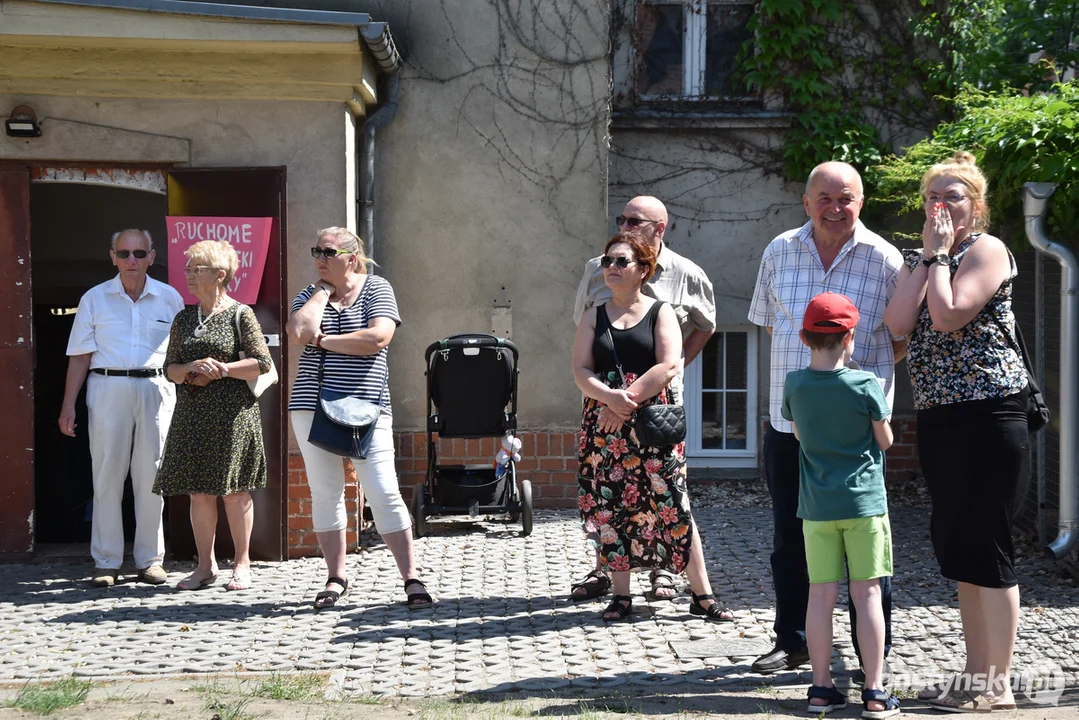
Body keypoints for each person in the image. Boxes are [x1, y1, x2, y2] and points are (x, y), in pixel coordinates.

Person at [883, 152, 1026, 713]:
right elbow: (898, 324)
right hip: (942, 415)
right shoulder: (925, 256)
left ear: (976, 205)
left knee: (989, 546)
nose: (940, 206)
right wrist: (925, 259)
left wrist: (939, 256)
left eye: (953, 196)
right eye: (932, 197)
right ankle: (975, 676)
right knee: (960, 546)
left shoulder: (985, 251)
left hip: (991, 413)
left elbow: (947, 316)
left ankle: (1000, 685)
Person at [748, 161, 904, 675]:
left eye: (847, 199)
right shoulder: (779, 250)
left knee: (868, 546)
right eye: (825, 198)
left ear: (862, 202)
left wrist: (849, 392)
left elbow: (900, 339)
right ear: (806, 201)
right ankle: (790, 640)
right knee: (789, 538)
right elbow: (773, 328)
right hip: (790, 428)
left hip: (857, 437)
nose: (835, 209)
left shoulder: (885, 259)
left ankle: (870, 653)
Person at [572, 232, 734, 622]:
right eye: (607, 261)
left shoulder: (661, 311)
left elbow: (669, 364)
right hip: (603, 428)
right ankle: (622, 595)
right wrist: (608, 398)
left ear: (644, 269)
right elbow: (580, 369)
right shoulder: (594, 313)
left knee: (673, 505)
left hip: (649, 423)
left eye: (621, 261)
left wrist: (623, 401)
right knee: (611, 506)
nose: (611, 267)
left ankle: (703, 595)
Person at [285, 227, 432, 610]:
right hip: (310, 404)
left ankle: (411, 578)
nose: (320, 257)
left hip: (366, 404)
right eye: (316, 250)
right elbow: (298, 331)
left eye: (329, 251)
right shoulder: (310, 293)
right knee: (325, 492)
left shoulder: (376, 288)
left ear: (352, 257)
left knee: (383, 489)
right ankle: (335, 577)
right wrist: (321, 291)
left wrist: (324, 342)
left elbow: (377, 338)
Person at [782, 292, 900, 718]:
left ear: (802, 335)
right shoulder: (865, 383)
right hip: (865, 504)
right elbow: (885, 441)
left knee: (820, 595)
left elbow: (798, 435)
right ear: (850, 337)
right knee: (867, 593)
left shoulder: (794, 383)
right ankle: (874, 691)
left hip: (816, 507)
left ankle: (819, 689)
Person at [59, 229, 184, 588]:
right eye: (124, 253)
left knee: (152, 476)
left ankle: (150, 560)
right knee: (106, 477)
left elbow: (180, 354)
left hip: (156, 387)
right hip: (107, 385)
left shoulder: (169, 298)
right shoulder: (94, 298)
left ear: (152, 256)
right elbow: (79, 356)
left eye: (139, 253)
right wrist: (68, 405)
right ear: (112, 256)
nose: (132, 260)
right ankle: (106, 562)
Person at [153, 240, 271, 592]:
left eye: (195, 269)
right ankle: (205, 567)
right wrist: (190, 367)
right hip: (192, 414)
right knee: (198, 493)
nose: (188, 274)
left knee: (235, 492)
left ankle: (242, 564)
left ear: (220, 275)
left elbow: (261, 362)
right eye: (188, 268)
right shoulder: (185, 317)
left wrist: (220, 369)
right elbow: (169, 368)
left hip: (233, 415)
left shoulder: (241, 313)